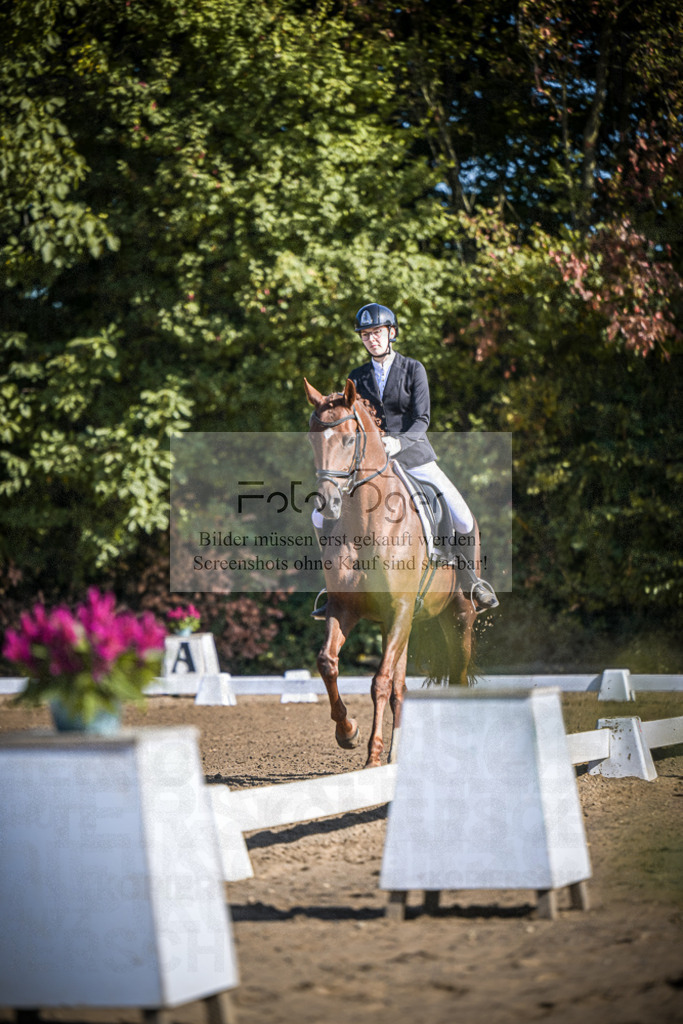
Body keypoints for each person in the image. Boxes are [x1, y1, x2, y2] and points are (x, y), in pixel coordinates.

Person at [311, 302, 499, 617]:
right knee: (319, 516)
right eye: (366, 334)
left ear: (392, 333)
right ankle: (334, 589)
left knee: (464, 518)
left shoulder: (413, 369)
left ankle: (471, 583)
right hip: (370, 466)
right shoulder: (356, 378)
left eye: (377, 332)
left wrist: (398, 442)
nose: (372, 339)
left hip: (414, 457)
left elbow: (422, 419)